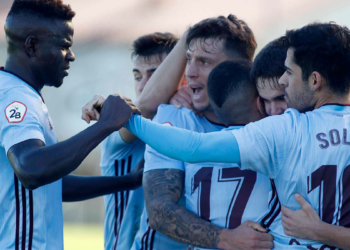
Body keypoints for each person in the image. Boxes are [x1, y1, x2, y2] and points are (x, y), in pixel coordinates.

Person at [124, 22, 350, 249]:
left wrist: (127, 118)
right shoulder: (281, 125)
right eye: (189, 59)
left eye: (289, 73)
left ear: (314, 80)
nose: (283, 81)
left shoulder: (284, 128)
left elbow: (193, 147)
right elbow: (159, 210)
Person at [0, 1, 138, 249]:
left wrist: (129, 180)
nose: (71, 56)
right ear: (32, 46)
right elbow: (31, 169)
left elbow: (51, 182)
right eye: (64, 46)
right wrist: (105, 124)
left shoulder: (23, 94)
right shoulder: (14, 96)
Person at [134, 15, 275, 250]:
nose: (189, 72)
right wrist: (227, 239)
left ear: (237, 68)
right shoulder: (175, 116)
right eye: (188, 59)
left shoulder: (274, 115)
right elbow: (159, 210)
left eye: (205, 62)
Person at [81, 32, 180, 250]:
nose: (143, 86)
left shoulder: (192, 127)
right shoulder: (120, 128)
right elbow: (146, 106)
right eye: (137, 77)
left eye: (154, 76)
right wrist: (191, 35)